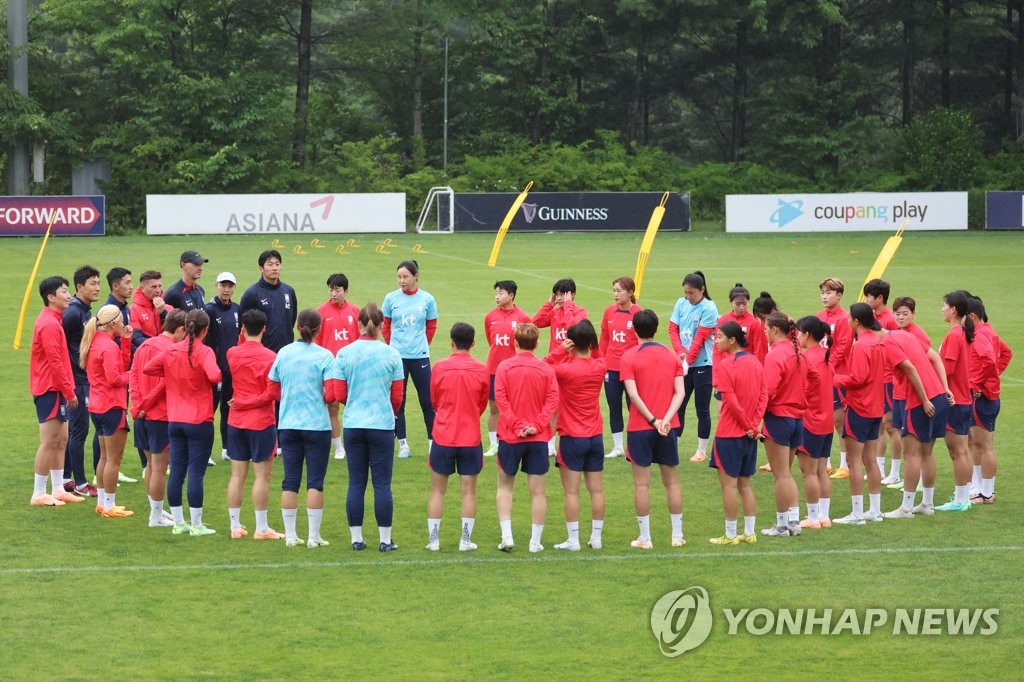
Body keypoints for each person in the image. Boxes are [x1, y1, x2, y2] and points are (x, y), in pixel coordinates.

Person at [332, 302, 405, 552]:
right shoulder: (392, 354)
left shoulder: (345, 353)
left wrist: (353, 403)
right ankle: (385, 540)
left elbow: (339, 392)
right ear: (383, 325)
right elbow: (398, 396)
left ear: (359, 325)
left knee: (356, 481)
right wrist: (388, 411)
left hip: (354, 423)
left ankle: (356, 538)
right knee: (382, 483)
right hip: (382, 424)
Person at [143, 310, 222, 535]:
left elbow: (149, 368)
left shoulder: (171, 351)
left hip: (175, 419)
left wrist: (170, 373)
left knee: (177, 470)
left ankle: (178, 523)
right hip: (199, 419)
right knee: (196, 472)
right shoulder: (204, 352)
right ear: (205, 330)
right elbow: (215, 376)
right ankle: (196, 524)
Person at [268, 309, 335, 548]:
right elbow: (331, 394)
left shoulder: (284, 353)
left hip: (288, 424)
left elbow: (273, 388)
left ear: (297, 327)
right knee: (315, 481)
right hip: (317, 425)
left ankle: (291, 535)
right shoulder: (325, 356)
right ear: (319, 329)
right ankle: (313, 536)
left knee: (290, 479)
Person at [621, 310, 687, 549]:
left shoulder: (629, 357)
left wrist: (652, 420)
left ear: (634, 330)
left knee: (641, 484)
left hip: (641, 426)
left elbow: (632, 394)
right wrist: (665, 420)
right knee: (672, 483)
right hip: (668, 427)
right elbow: (680, 392)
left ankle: (645, 538)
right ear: (657, 329)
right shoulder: (671, 355)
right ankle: (677, 535)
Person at [494, 323, 559, 553]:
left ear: (515, 342)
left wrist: (518, 425)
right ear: (537, 344)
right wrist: (536, 426)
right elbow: (552, 401)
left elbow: (501, 400)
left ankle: (507, 536)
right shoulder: (545, 369)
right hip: (538, 438)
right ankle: (535, 542)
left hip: (511, 437)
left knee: (505, 488)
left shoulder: (504, 367)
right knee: (538, 492)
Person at [426, 322, 490, 551]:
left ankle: (433, 540)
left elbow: (433, 400)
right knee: (468, 492)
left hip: (443, 435)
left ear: (451, 342)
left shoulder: (440, 367)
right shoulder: (482, 369)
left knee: (437, 491)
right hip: (470, 437)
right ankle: (465, 540)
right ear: (473, 343)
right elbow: (482, 403)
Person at [226, 309, 286, 540]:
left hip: (236, 421)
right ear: (264, 329)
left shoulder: (232, 353)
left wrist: (240, 402)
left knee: (236, 476)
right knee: (262, 476)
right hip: (261, 421)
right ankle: (261, 528)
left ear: (242, 329)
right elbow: (271, 394)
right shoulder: (272, 357)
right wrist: (247, 402)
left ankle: (235, 526)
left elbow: (239, 345)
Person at [881, 326, 952, 519]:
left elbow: (910, 369)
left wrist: (923, 400)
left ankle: (906, 508)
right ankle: (927, 504)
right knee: (927, 452)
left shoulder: (888, 342)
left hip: (920, 401)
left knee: (911, 454)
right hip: (938, 395)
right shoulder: (904, 334)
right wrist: (945, 387)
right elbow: (935, 357)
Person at [708, 321, 765, 545]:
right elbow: (764, 395)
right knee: (745, 483)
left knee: (729, 486)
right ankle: (749, 533)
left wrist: (748, 426)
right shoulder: (755, 362)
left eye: (719, 336)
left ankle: (730, 534)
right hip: (748, 435)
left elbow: (730, 402)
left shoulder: (725, 366)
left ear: (732, 340)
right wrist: (754, 425)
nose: (716, 340)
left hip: (730, 434)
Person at [551, 320, 607, 550]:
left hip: (572, 437)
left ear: (571, 343)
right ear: (591, 343)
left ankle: (573, 539)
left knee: (571, 491)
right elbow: (599, 354)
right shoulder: (600, 365)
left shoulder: (563, 369)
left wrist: (559, 350)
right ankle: (596, 538)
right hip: (595, 435)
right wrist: (593, 343)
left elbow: (544, 366)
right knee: (596, 489)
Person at [29, 276, 83, 507]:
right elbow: (55, 363)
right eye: (63, 291)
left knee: (61, 439)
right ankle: (39, 492)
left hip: (57, 387)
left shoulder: (55, 320)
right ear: (51, 297)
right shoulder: (49, 324)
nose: (68, 294)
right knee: (49, 440)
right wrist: (69, 391)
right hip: (50, 387)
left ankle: (58, 488)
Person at [130, 309, 187, 527]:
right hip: (160, 416)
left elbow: (134, 376)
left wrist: (137, 406)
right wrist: (144, 406)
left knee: (151, 467)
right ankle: (155, 517)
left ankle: (157, 511)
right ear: (181, 329)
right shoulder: (172, 350)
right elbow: (165, 385)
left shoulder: (144, 345)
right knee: (159, 469)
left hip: (141, 416)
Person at [832, 303, 885, 525]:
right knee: (871, 461)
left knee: (854, 462)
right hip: (875, 408)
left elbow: (857, 378)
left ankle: (857, 513)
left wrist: (834, 379)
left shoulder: (861, 345)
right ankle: (875, 510)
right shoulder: (878, 342)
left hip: (860, 408)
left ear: (856, 321)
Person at [80, 303, 134, 516]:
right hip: (112, 405)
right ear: (113, 323)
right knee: (113, 459)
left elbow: (119, 365)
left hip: (98, 405)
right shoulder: (108, 347)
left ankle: (103, 502)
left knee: (104, 457)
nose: (124, 323)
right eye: (121, 320)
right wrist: (135, 376)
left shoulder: (97, 342)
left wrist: (127, 341)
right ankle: (109, 505)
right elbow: (115, 377)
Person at [382, 260, 438, 459]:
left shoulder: (428, 300)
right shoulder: (390, 299)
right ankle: (403, 444)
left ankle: (433, 443)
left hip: (420, 357)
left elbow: (431, 326)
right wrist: (393, 348)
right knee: (398, 401)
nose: (402, 281)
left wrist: (422, 344)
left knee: (428, 401)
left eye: (405, 277)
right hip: (398, 359)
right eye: (399, 277)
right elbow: (385, 326)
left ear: (416, 276)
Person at [759, 312, 806, 537]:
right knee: (787, 473)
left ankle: (781, 525)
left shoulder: (775, 355)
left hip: (779, 418)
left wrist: (754, 417)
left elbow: (768, 391)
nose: (764, 333)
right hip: (797, 418)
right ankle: (794, 521)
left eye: (766, 329)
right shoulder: (797, 353)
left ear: (775, 330)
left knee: (781, 475)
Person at [532, 278, 588, 456]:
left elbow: (574, 328)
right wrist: (549, 304)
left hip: (573, 366)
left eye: (564, 294)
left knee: (571, 405)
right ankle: (550, 444)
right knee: (552, 405)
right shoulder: (554, 312)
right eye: (557, 294)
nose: (560, 297)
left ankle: (572, 440)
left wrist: (569, 306)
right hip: (555, 365)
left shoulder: (580, 312)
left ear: (572, 295)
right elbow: (535, 323)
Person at [668, 271, 718, 463]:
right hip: (684, 362)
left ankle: (701, 450)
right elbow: (673, 329)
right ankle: (674, 445)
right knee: (678, 405)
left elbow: (700, 338)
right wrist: (681, 353)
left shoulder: (709, 308)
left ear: (702, 290)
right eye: (686, 293)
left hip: (703, 365)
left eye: (692, 293)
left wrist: (688, 361)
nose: (688, 297)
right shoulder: (681, 303)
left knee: (702, 409)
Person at [967, 296, 1012, 504]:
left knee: (984, 446)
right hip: (989, 394)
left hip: (983, 397)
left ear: (972, 316)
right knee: (979, 444)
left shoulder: (980, 335)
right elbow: (1006, 354)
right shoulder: (989, 331)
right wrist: (994, 376)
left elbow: (989, 360)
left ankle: (987, 492)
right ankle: (979, 487)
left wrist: (976, 383)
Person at [884, 296, 932, 488]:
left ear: (913, 314)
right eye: (897, 314)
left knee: (915, 439)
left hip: (911, 394)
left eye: (905, 314)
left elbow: (922, 365)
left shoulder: (918, 335)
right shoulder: (897, 333)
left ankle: (919, 480)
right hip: (899, 391)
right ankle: (907, 476)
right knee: (902, 434)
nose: (901, 317)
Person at [934, 290, 976, 512]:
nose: (942, 309)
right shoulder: (963, 333)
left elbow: (947, 369)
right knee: (963, 450)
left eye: (944, 305)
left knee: (957, 451)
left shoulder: (953, 335)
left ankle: (961, 500)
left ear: (954, 310)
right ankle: (963, 497)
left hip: (955, 400)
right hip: (962, 398)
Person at [62, 264, 101, 497]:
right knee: (79, 430)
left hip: (81, 377)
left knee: (74, 430)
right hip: (77, 380)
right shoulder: (73, 313)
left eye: (98, 283)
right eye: (92, 284)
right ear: (79, 287)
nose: (97, 288)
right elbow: (60, 345)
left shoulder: (84, 310)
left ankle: (66, 477)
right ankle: (80, 483)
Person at [483, 280, 531, 458]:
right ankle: (494, 444)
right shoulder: (490, 317)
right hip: (494, 370)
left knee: (517, 406)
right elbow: (491, 341)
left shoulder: (523, 318)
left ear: (511, 295)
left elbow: (527, 344)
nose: (497, 296)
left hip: (516, 370)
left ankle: (517, 438)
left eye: (501, 293)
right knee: (494, 408)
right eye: (496, 292)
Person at [315, 273, 360, 460]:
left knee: (354, 405)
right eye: (331, 289)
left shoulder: (355, 312)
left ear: (346, 291)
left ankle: (355, 444)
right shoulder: (321, 312)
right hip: (331, 368)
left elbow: (360, 339)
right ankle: (339, 447)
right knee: (332, 406)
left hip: (351, 368)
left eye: (337, 290)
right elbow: (316, 342)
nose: (333, 293)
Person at [794, 316, 834, 529]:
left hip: (811, 421)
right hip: (826, 422)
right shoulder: (826, 356)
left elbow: (804, 391)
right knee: (820, 470)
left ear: (807, 334)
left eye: (799, 332)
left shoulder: (808, 358)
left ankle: (812, 517)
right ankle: (823, 516)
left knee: (808, 472)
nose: (798, 336)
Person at [863, 279, 902, 488]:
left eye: (869, 296)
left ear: (879, 298)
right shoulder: (870, 318)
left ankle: (895, 472)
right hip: (875, 378)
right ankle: (879, 469)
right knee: (878, 425)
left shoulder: (890, 320)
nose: (867, 299)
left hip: (888, 378)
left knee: (891, 426)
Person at [599, 276, 641, 459]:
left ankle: (633, 446)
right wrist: (601, 362)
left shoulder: (638, 313)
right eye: (614, 290)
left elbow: (641, 342)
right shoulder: (609, 312)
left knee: (634, 407)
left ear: (630, 293)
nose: (615, 294)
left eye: (619, 291)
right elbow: (604, 340)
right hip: (611, 368)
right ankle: (618, 447)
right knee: (613, 406)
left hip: (631, 370)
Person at [817, 277, 853, 479]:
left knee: (839, 421)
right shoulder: (820, 316)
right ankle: (827, 462)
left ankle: (845, 464)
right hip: (820, 375)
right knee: (823, 419)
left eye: (829, 292)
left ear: (839, 295)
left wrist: (827, 367)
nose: (824, 296)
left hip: (837, 376)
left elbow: (843, 346)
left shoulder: (844, 318)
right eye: (822, 292)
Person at [204, 272, 240, 464]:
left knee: (229, 409)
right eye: (223, 285)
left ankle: (227, 448)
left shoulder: (236, 308)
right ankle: (205, 452)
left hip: (231, 369)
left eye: (230, 286)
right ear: (216, 285)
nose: (226, 289)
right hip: (214, 370)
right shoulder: (209, 310)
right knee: (209, 410)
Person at [239, 249, 298, 353]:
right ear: (261, 268)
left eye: (277, 264)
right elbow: (242, 324)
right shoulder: (252, 293)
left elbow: (291, 320)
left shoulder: (289, 291)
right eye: (270, 264)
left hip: (286, 353)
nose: (274, 268)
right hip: (262, 353)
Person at [715, 283, 766, 366]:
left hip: (746, 367)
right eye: (738, 304)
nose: (741, 307)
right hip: (726, 367)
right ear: (731, 302)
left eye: (744, 304)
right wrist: (716, 372)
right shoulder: (723, 320)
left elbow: (758, 350)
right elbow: (716, 350)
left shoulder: (754, 322)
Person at [129, 270, 168, 349]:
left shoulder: (166, 307)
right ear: (142, 288)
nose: (158, 290)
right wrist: (159, 346)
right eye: (154, 287)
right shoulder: (133, 310)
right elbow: (136, 339)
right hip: (148, 353)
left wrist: (163, 313)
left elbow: (175, 333)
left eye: (159, 286)